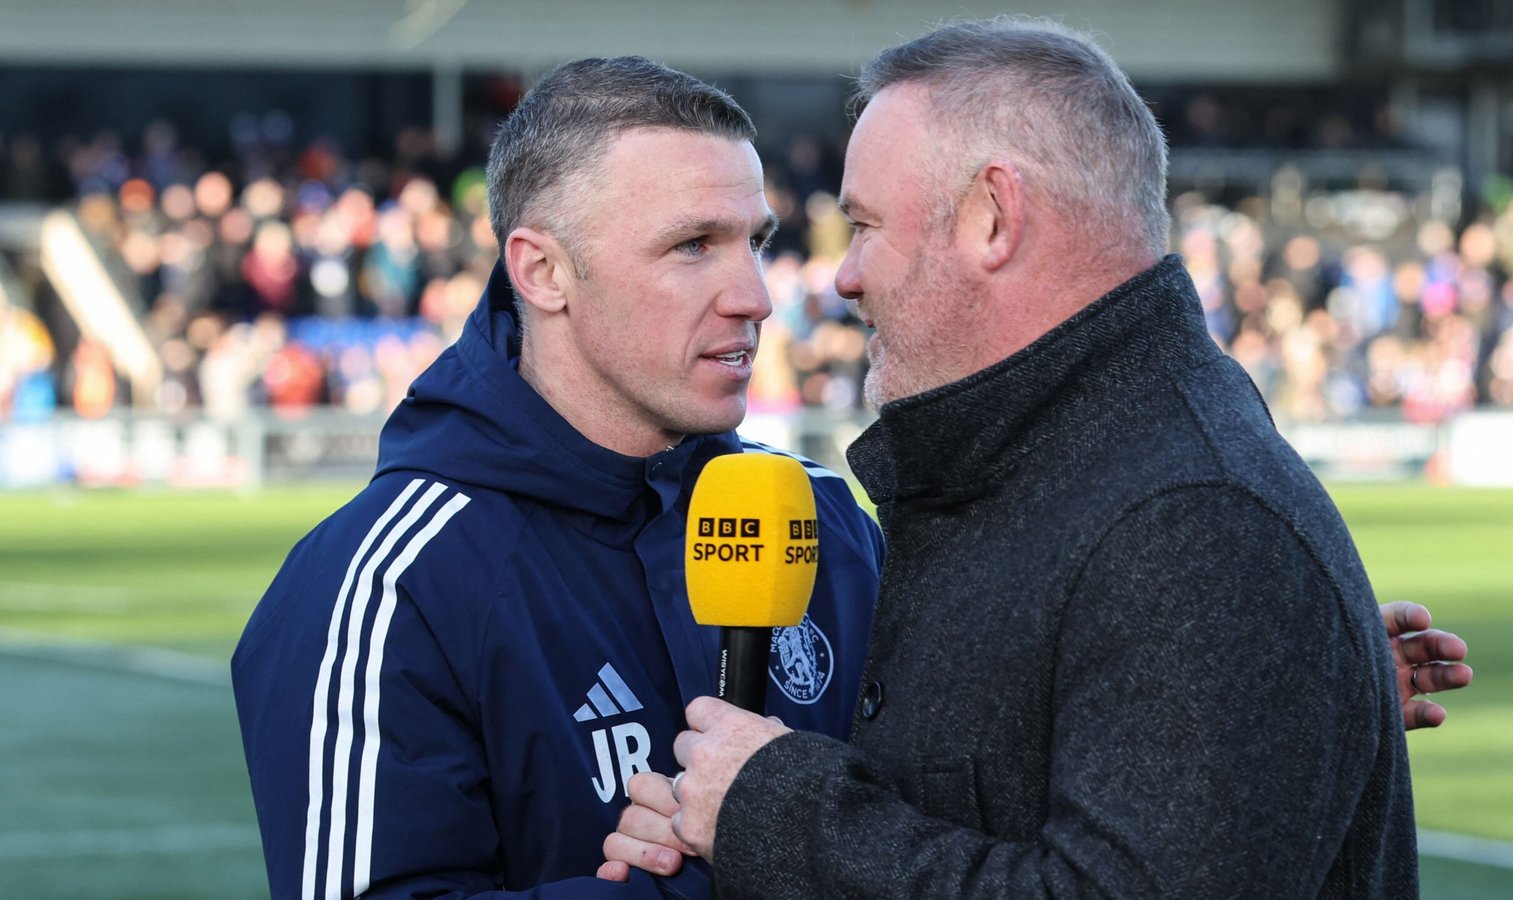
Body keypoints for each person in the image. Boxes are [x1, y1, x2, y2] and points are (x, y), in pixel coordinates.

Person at [606, 19, 1456, 898]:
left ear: (994, 216)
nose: (845, 276)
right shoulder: (1081, 476)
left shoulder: (1189, 520)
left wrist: (772, 811)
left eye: (864, 226)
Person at [231, 57, 885, 898]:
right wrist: (693, 882)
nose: (754, 296)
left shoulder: (828, 520)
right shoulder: (388, 585)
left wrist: (797, 830)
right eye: (693, 245)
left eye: (754, 241)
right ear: (542, 272)